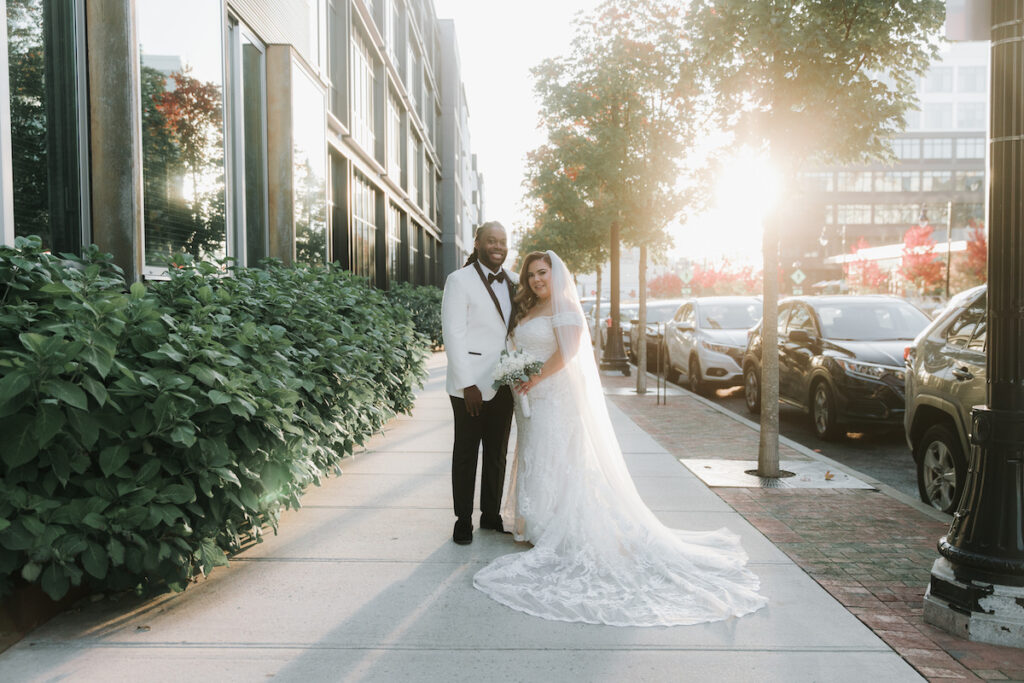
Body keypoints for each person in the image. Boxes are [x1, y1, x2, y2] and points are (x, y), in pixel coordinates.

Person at [473, 250, 768, 626]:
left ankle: (554, 524)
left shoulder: (563, 306)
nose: (536, 280)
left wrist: (533, 378)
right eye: (531, 274)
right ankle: (535, 522)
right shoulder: (529, 307)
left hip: (552, 395)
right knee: (535, 453)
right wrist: (519, 374)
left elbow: (568, 352)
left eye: (542, 273)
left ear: (556, 274)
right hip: (530, 397)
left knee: (557, 457)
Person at [440, 222, 517, 545]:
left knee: (498, 452)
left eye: (502, 241)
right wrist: (466, 383)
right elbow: (453, 333)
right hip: (468, 385)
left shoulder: (514, 280)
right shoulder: (458, 280)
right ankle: (462, 520)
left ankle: (490, 514)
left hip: (504, 381)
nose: (497, 246)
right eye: (491, 241)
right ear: (478, 243)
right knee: (467, 452)